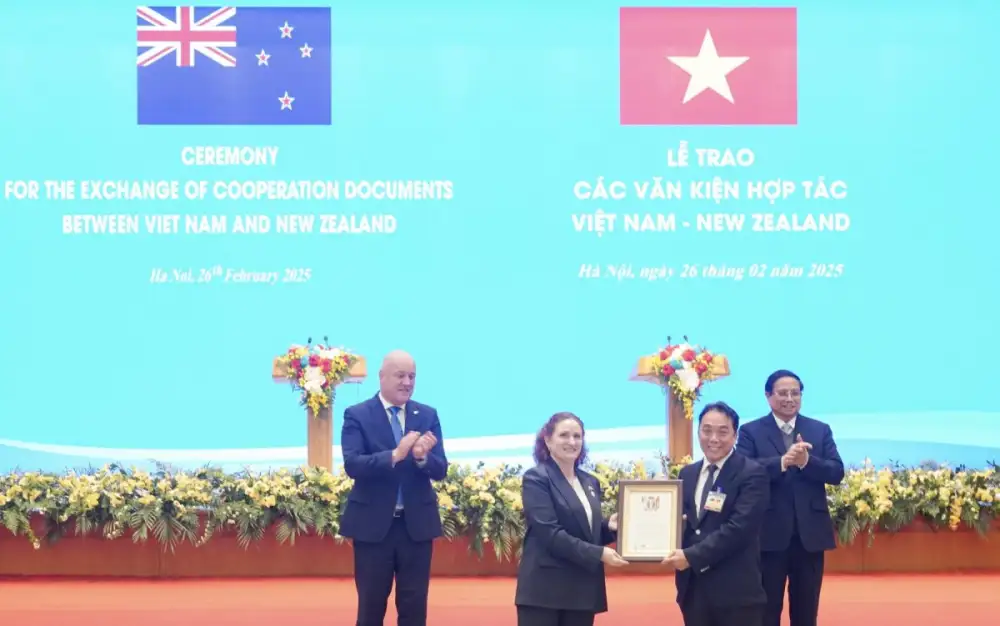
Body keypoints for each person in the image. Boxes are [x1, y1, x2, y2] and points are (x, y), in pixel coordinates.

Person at [338, 350, 448, 626]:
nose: (407, 383)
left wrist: (422, 457)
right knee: (371, 608)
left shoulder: (427, 415)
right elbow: (353, 464)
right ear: (382, 376)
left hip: (416, 528)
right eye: (400, 376)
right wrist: (395, 455)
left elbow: (441, 469)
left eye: (412, 376)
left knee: (414, 609)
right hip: (373, 528)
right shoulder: (357, 415)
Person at [735, 369, 845, 626]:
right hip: (768, 535)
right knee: (766, 610)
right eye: (782, 393)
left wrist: (807, 462)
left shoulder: (819, 430)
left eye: (795, 393)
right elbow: (742, 471)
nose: (789, 399)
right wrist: (782, 462)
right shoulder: (751, 431)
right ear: (768, 396)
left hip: (810, 537)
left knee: (806, 611)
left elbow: (836, 472)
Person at [515, 412, 629, 626]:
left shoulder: (590, 482)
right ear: (548, 440)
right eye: (564, 435)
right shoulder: (536, 478)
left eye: (577, 436)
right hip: (545, 592)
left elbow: (585, 531)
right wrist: (599, 554)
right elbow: (550, 534)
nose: (572, 442)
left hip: (582, 591)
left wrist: (609, 527)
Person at [662, 401, 769, 626]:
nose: (713, 438)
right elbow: (681, 521)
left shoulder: (752, 473)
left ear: (735, 435)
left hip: (736, 593)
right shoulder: (687, 473)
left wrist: (691, 557)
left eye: (722, 432)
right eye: (707, 430)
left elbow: (739, 529)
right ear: (698, 431)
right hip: (693, 590)